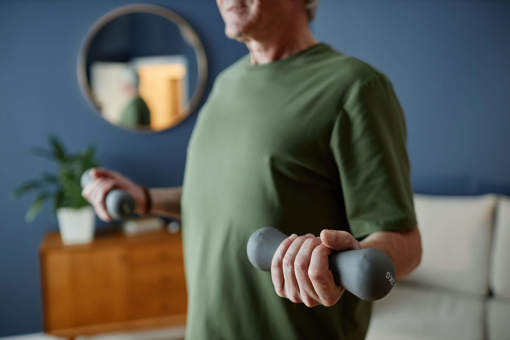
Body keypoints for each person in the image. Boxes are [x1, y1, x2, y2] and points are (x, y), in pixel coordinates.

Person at [82, 0, 422, 339]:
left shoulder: (355, 87)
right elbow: (218, 198)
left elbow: (406, 244)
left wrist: (353, 257)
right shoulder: (226, 85)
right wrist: (143, 198)